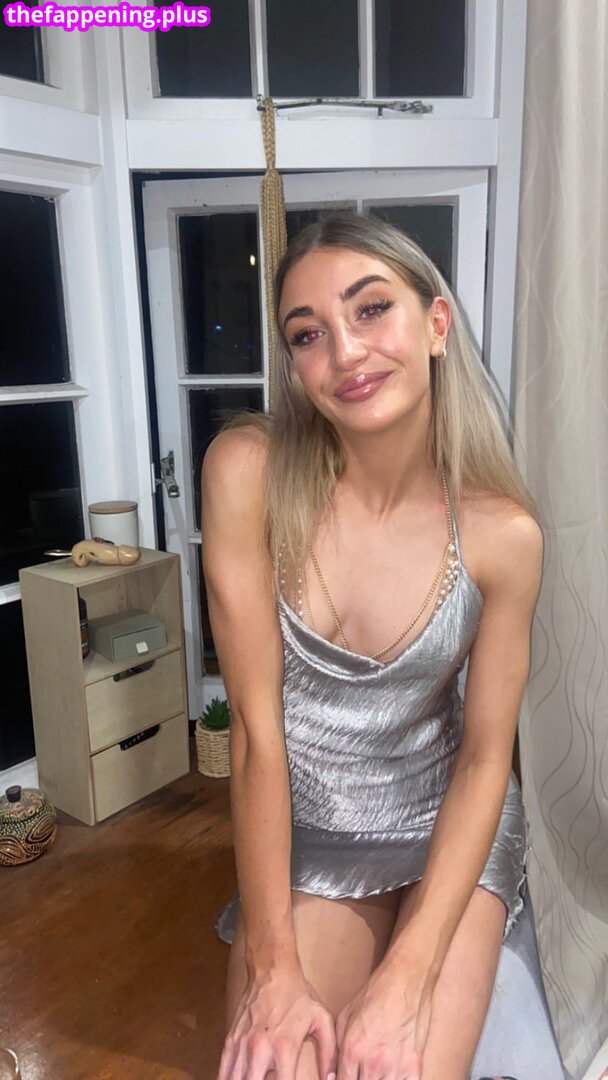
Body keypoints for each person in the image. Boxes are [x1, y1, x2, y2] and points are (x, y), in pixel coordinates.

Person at [201, 212, 543, 1080]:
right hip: (313, 827)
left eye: (371, 309)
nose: (346, 352)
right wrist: (273, 965)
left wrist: (410, 972)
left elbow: (486, 759)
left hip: (446, 818)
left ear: (436, 324)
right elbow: (255, 735)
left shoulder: (503, 536)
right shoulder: (248, 473)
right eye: (308, 333)